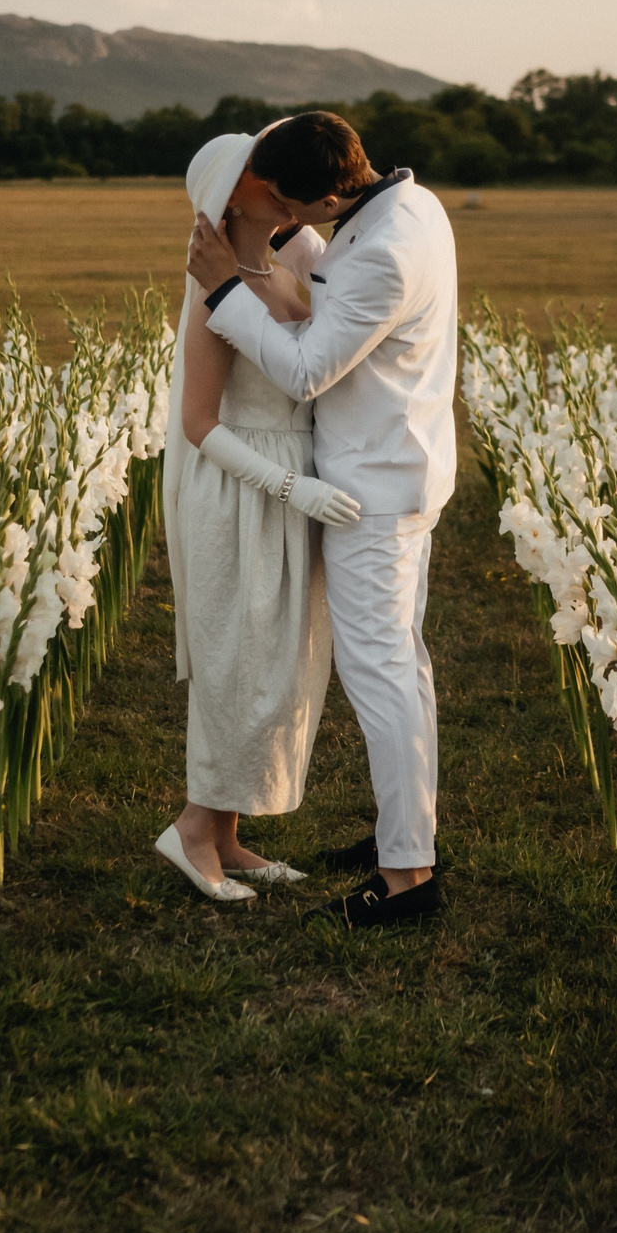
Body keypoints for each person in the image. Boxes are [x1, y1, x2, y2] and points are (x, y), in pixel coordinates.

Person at [186, 111, 458, 927]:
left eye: (299, 208)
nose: (294, 221)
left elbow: (306, 372)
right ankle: (404, 840)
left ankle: (408, 876)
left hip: (374, 488)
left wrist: (226, 289)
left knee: (380, 675)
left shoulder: (381, 250)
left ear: (337, 190)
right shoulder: (408, 206)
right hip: (396, 470)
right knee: (401, 668)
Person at [155, 132, 363, 903]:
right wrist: (290, 489)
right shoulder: (209, 290)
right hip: (243, 490)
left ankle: (230, 834)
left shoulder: (275, 270)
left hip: (289, 483)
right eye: (260, 177)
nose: (280, 186)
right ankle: (191, 830)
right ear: (229, 192)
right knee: (239, 668)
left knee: (280, 670)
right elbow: (199, 423)